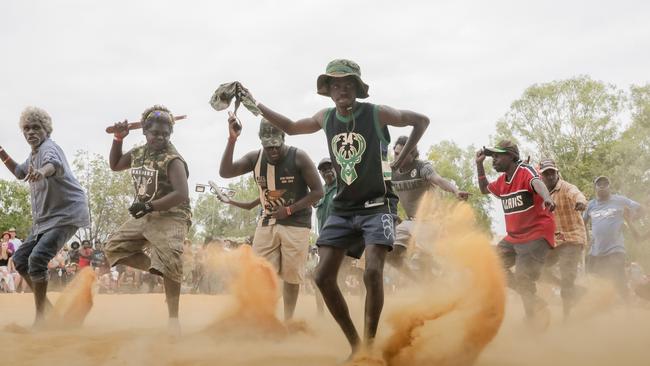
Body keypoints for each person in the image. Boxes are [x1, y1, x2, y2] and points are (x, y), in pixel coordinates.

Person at [238, 59, 430, 356]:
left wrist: (403, 157)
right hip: (342, 209)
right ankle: (355, 345)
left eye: (348, 84)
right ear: (328, 91)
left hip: (377, 206)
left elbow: (421, 121)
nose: (342, 89)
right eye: (336, 85)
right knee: (322, 276)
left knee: (372, 272)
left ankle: (369, 343)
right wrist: (255, 103)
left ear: (358, 88)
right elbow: (289, 126)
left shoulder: (376, 113)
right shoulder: (325, 117)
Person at [219, 117, 323, 321]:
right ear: (261, 142)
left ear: (283, 138)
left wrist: (290, 209)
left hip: (297, 223)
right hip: (266, 222)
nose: (273, 150)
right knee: (260, 273)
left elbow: (318, 192)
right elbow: (225, 172)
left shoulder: (299, 157)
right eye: (268, 147)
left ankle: (288, 320)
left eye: (276, 145)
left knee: (292, 276)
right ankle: (262, 317)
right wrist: (232, 140)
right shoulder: (255, 158)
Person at [104, 105, 191, 336]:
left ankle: (173, 320)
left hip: (172, 214)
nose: (160, 137)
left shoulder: (173, 159)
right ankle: (160, 269)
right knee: (113, 248)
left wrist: (148, 206)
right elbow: (114, 166)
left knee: (171, 261)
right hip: (145, 213)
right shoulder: (138, 153)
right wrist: (118, 138)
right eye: (155, 133)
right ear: (144, 131)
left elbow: (182, 194)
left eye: (165, 134)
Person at [0, 107, 90, 327]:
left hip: (66, 215)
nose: (31, 132)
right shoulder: (33, 154)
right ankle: (47, 308)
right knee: (20, 260)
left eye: (36, 128)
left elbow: (53, 164)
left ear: (46, 130)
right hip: (45, 220)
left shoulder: (50, 148)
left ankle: (42, 316)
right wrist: (2, 152)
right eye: (27, 128)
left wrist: (42, 172)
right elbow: (21, 173)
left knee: (37, 259)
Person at [476, 140, 556, 326]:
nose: (493, 160)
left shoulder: (524, 170)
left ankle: (533, 319)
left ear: (511, 156)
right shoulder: (503, 181)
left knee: (523, 276)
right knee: (491, 266)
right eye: (491, 156)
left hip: (537, 234)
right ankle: (534, 302)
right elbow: (483, 189)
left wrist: (548, 198)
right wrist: (479, 165)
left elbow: (537, 182)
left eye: (497, 156)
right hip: (514, 237)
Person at [390, 135, 470, 279]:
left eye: (403, 154)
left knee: (421, 261)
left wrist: (455, 190)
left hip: (430, 222)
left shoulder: (422, 167)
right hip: (409, 221)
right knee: (390, 255)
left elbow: (439, 180)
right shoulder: (391, 171)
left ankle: (441, 285)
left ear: (413, 155)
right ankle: (419, 283)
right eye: (396, 153)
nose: (398, 158)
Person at [538, 159, 588, 318]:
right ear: (542, 177)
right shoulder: (541, 194)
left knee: (567, 275)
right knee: (537, 268)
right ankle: (574, 289)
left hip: (573, 238)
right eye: (546, 173)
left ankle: (567, 318)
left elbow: (577, 194)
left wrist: (580, 201)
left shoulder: (566, 187)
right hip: (556, 241)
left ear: (557, 173)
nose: (550, 176)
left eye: (552, 172)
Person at [583, 176, 643, 301]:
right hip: (596, 251)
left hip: (615, 248)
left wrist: (629, 220)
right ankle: (603, 306)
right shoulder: (591, 205)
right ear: (595, 187)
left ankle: (627, 308)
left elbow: (641, 209)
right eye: (599, 183)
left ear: (609, 186)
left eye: (606, 183)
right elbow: (582, 223)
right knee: (593, 278)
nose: (603, 185)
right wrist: (587, 239)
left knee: (618, 277)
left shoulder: (619, 200)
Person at [314, 157, 337, 234]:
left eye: (330, 168)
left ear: (336, 168)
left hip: (340, 237)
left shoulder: (343, 187)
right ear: (320, 173)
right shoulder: (319, 191)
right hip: (323, 238)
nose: (327, 170)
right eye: (324, 170)